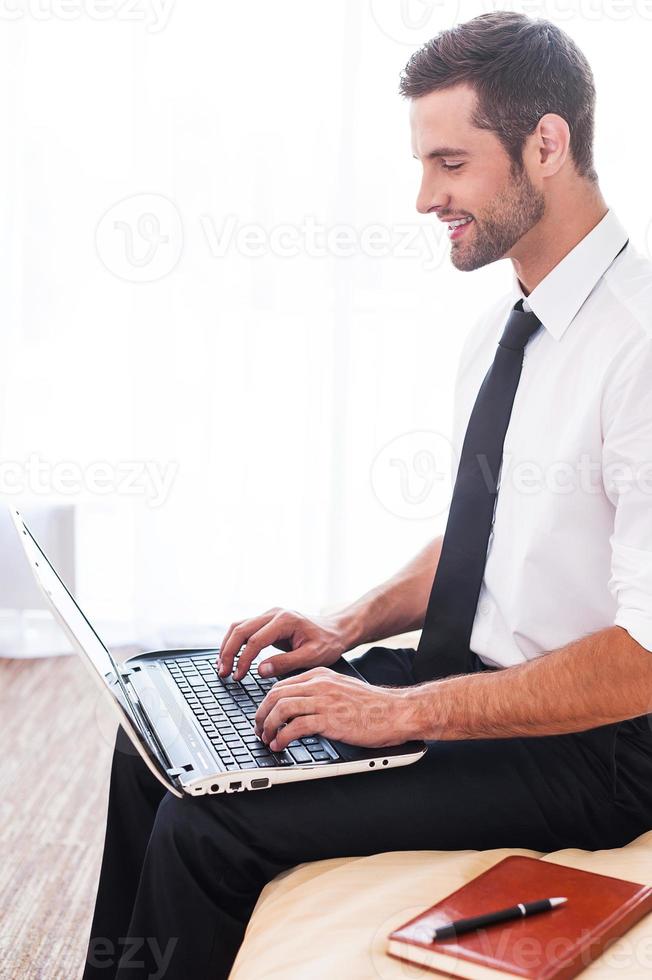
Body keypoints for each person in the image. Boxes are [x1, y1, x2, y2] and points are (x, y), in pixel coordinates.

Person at [83, 11, 652, 979]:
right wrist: (348, 623)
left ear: (545, 144)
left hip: (591, 745)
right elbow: (487, 533)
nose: (426, 195)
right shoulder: (509, 330)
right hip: (472, 675)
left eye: (450, 161)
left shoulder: (637, 343)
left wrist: (401, 712)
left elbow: (645, 659)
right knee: (158, 738)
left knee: (204, 825)